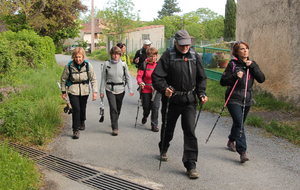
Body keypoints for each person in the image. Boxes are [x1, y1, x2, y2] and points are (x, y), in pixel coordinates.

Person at [152, 30, 208, 179]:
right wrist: (165, 89)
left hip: (189, 101)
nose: (185, 48)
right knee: (167, 128)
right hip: (172, 100)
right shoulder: (168, 56)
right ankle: (163, 148)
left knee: (190, 131)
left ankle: (191, 165)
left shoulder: (195, 56)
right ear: (175, 43)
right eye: (182, 45)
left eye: (188, 45)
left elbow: (201, 78)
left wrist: (201, 93)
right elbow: (157, 77)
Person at [220, 41, 265, 163]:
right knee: (239, 123)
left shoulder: (252, 64)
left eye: (246, 48)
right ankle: (242, 152)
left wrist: (253, 67)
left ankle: (231, 140)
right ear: (237, 52)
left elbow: (261, 79)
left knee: (239, 122)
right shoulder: (232, 64)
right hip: (233, 98)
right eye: (242, 49)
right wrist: (235, 76)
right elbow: (223, 81)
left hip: (247, 98)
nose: (245, 51)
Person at [60, 47, 98, 139]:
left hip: (84, 90)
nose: (78, 59)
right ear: (73, 57)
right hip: (73, 90)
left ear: (83, 57)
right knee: (76, 109)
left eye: (80, 57)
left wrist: (95, 92)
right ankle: (75, 130)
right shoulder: (69, 66)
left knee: (82, 108)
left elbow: (93, 79)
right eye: (76, 57)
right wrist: (63, 91)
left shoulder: (88, 65)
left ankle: (82, 120)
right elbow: (63, 79)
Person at [100, 46, 134, 136]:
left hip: (120, 90)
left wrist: (130, 89)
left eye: (118, 54)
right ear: (111, 54)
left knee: (118, 108)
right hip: (109, 89)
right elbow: (103, 78)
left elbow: (128, 77)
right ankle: (115, 127)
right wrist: (101, 91)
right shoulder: (106, 64)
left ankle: (115, 119)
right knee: (113, 108)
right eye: (114, 54)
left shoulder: (123, 64)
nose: (116, 56)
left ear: (120, 55)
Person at [136, 47, 161, 132]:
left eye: (154, 56)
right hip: (146, 88)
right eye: (151, 56)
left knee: (155, 107)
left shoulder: (159, 65)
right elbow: (139, 76)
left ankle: (154, 125)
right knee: (146, 107)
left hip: (156, 90)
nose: (153, 58)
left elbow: (162, 76)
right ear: (147, 56)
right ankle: (145, 115)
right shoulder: (144, 64)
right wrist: (140, 83)